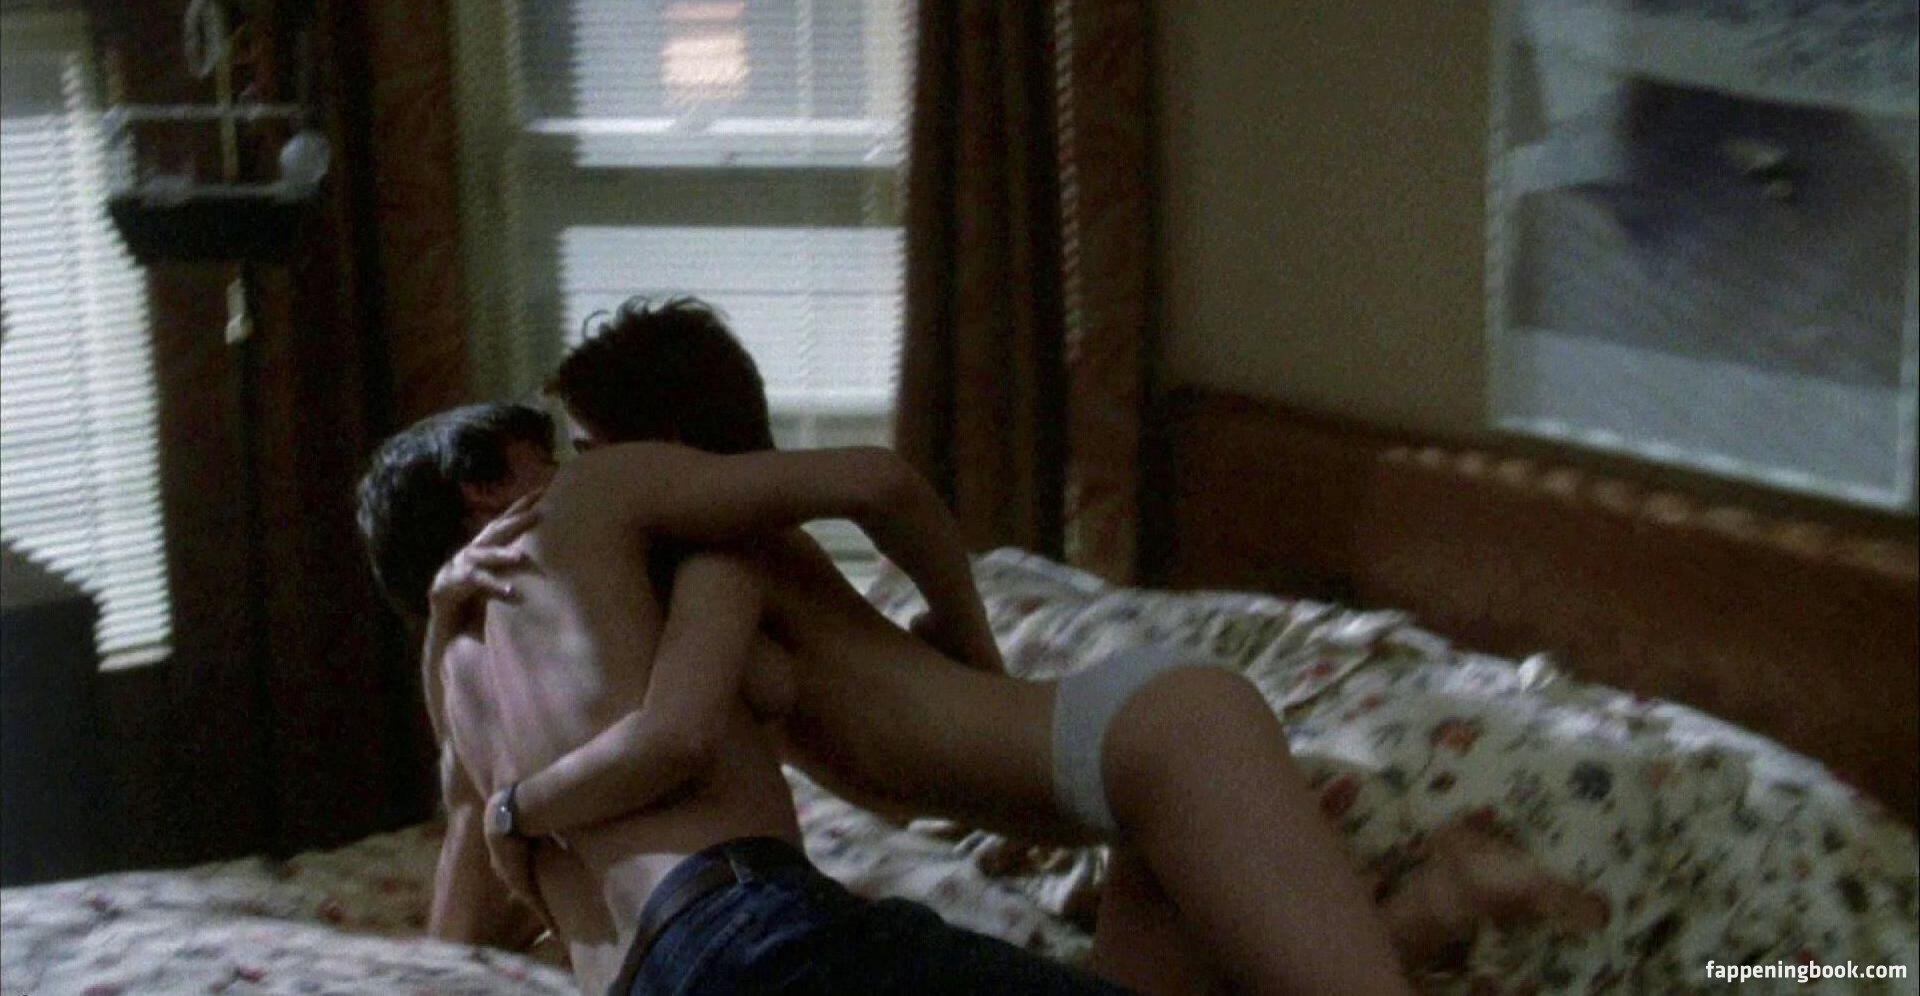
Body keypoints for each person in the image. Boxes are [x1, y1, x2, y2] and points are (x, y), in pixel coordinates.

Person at [432, 301, 1601, 992]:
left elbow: (882, 484)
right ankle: (1436, 902)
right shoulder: (711, 581)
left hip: (1157, 743)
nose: (573, 480)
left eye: (589, 447)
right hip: (1131, 784)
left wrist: (970, 638)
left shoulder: (724, 566)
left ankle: (1451, 894)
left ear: (658, 443)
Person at [359, 403, 1146, 994]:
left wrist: (509, 806)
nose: (569, 468)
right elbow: (880, 480)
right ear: (482, 487)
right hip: (742, 927)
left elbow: (456, 932)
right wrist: (974, 651)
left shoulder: (454, 683)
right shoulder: (583, 507)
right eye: (548, 458)